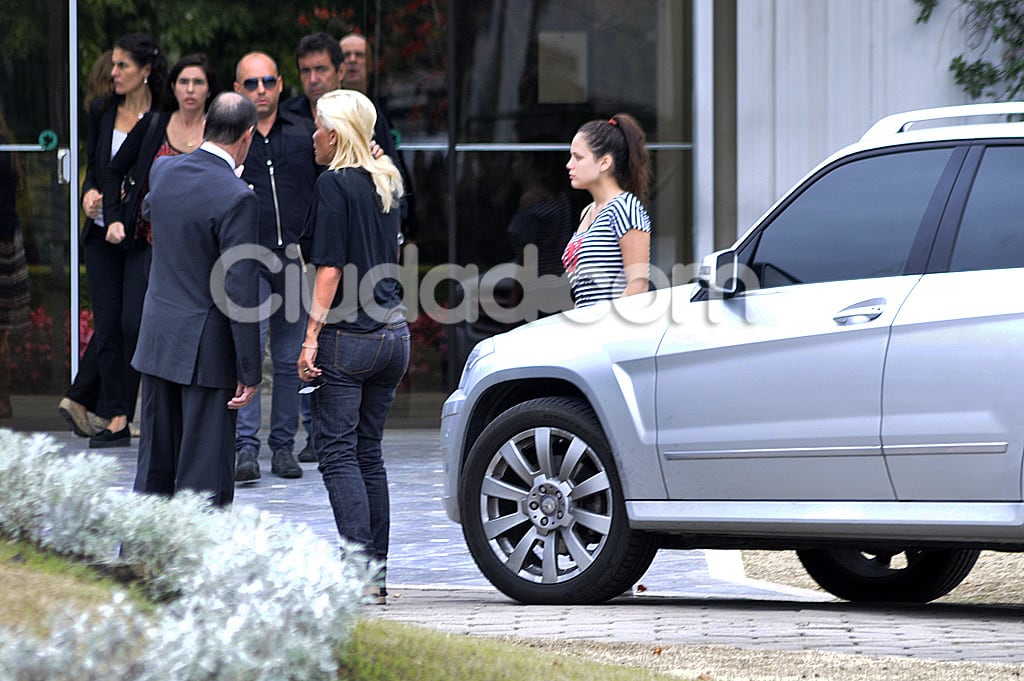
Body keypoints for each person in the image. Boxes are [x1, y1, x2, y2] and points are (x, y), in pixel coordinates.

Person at [297, 89, 408, 604]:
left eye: (319, 127)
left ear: (336, 134)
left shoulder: (333, 184)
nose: (312, 135)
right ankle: (376, 578)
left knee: (337, 455)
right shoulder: (386, 180)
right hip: (393, 335)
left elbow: (329, 268)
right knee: (369, 454)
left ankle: (358, 579)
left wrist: (311, 335)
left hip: (349, 336)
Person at [132, 92, 261, 508]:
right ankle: (196, 566)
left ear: (205, 126)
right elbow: (239, 290)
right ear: (247, 135)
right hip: (206, 352)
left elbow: (151, 209)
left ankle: (140, 558)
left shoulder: (164, 169)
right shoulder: (238, 196)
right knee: (203, 474)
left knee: (154, 464)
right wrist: (249, 369)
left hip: (157, 341)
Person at [75, 32, 168, 448]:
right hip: (99, 234)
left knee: (132, 322)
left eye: (122, 66)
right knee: (108, 326)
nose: (113, 73)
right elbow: (96, 166)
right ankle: (115, 416)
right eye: (113, 65)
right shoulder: (101, 110)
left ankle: (127, 409)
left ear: (145, 71)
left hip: (139, 237)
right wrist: (88, 194)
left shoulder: (163, 117)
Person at [231, 52, 319, 481]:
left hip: (292, 259)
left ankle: (282, 446)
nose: (261, 89)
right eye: (251, 83)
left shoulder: (304, 134)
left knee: (288, 359)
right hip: (248, 259)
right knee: (248, 356)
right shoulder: (233, 139)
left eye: (267, 81)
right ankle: (244, 449)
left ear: (281, 84)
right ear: (238, 90)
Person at [560, 113, 651, 308]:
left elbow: (639, 285)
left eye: (578, 157)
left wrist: (607, 328)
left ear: (604, 162)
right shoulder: (587, 212)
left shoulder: (625, 208)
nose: (569, 165)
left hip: (613, 332)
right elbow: (583, 294)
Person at [0, 109, 30, 418]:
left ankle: (4, 400)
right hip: (7, 240)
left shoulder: (2, 151)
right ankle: (4, 401)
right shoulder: (7, 148)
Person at [280, 32, 343, 122]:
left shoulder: (358, 112)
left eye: (321, 69)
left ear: (341, 72)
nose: (312, 79)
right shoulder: (284, 116)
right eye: (306, 71)